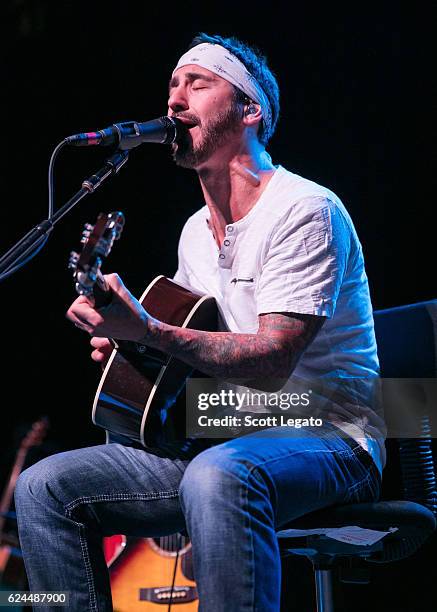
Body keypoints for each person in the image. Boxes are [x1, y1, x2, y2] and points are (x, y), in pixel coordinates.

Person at [15, 33, 386, 611]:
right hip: (228, 435)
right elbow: (191, 356)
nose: (175, 98)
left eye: (198, 82)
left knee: (216, 476)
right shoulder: (194, 231)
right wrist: (126, 346)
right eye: (172, 84)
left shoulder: (305, 209)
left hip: (330, 435)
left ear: (250, 110)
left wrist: (149, 332)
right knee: (45, 487)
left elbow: (271, 361)